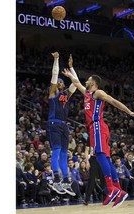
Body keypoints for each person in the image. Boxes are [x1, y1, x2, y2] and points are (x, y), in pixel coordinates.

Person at [62, 65, 134, 208]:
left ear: (93, 83)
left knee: (99, 156)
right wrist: (70, 74)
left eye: (88, 80)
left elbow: (113, 101)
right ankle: (119, 191)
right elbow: (77, 83)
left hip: (98, 126)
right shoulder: (87, 94)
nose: (85, 82)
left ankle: (111, 189)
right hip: (97, 128)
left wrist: (129, 112)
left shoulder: (98, 93)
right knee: (105, 159)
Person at [48, 52, 79, 196]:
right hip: (54, 123)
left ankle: (66, 181)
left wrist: (71, 68)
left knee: (65, 154)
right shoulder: (53, 93)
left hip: (64, 125)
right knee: (56, 151)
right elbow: (54, 74)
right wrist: (57, 59)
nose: (59, 82)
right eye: (58, 81)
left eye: (61, 81)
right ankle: (56, 180)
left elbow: (76, 82)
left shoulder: (67, 94)